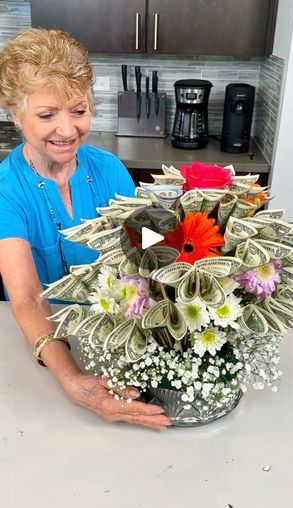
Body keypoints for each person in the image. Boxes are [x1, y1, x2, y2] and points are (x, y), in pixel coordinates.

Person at [0, 28, 170, 431]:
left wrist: (179, 235)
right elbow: (25, 295)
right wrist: (73, 380)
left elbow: (141, 246)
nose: (67, 130)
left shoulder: (109, 169)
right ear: (15, 114)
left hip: (114, 331)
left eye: (78, 111)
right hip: (46, 343)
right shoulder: (6, 189)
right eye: (46, 115)